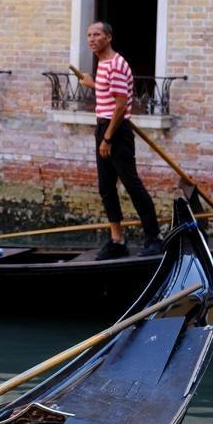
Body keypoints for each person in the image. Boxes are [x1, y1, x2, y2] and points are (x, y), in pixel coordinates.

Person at [81, 21, 163, 260]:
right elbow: (110, 93)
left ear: (108, 37)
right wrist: (92, 84)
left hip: (115, 131)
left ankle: (153, 237)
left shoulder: (116, 64)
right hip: (104, 127)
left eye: (97, 35)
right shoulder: (104, 64)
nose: (91, 39)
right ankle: (117, 240)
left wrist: (107, 138)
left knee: (132, 185)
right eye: (89, 35)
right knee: (106, 187)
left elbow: (120, 105)